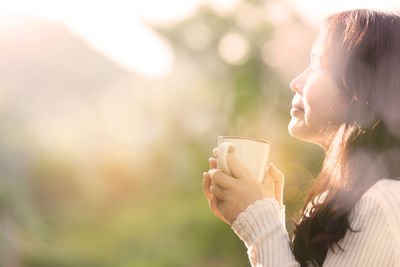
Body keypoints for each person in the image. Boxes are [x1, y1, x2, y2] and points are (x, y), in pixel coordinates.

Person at [202, 9, 400, 267]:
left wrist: (261, 224)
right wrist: (264, 213)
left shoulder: (381, 203)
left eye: (317, 64)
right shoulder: (343, 200)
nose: (296, 82)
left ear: (361, 87)